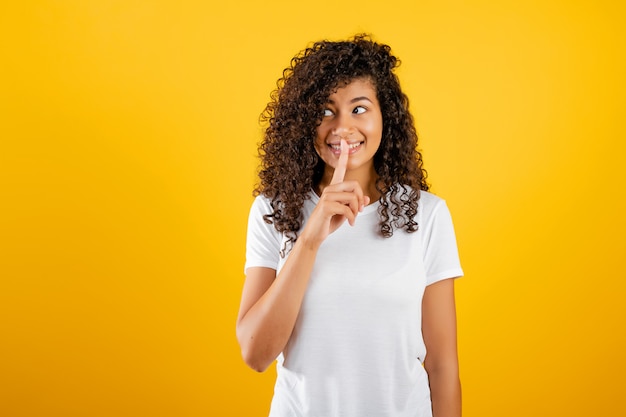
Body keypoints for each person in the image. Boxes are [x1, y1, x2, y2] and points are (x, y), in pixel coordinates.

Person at [236, 34, 463, 417]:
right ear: (304, 123)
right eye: (325, 111)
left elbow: (442, 368)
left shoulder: (426, 215)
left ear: (384, 117)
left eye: (359, 109)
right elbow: (256, 354)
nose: (342, 127)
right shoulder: (272, 211)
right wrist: (310, 238)